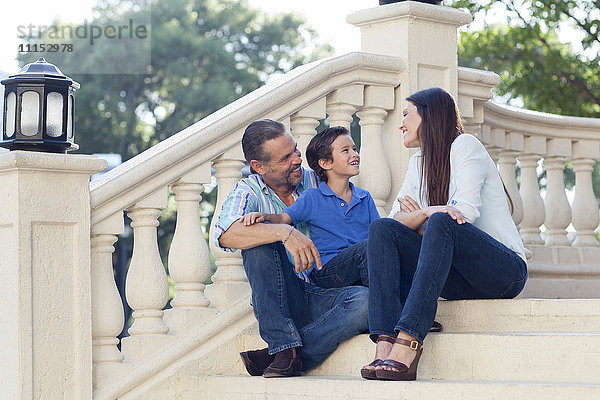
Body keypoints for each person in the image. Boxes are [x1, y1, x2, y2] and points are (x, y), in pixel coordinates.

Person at [361, 87, 528, 381]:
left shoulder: (465, 145)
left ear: (429, 115)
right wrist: (426, 214)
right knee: (382, 229)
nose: (400, 124)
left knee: (442, 222)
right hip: (457, 277)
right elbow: (395, 221)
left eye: (406, 115)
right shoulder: (418, 163)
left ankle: (409, 341)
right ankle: (385, 342)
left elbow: (462, 213)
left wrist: (425, 217)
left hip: (502, 273)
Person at [215, 120, 368, 378]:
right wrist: (284, 232)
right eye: (286, 158)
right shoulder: (248, 190)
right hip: (284, 299)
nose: (297, 160)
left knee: (366, 301)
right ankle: (283, 346)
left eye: (296, 150)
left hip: (325, 289)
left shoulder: (316, 181)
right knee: (257, 241)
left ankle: (281, 354)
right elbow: (226, 234)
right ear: (259, 167)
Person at [241, 126, 379, 287]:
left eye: (354, 149)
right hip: (327, 271)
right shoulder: (312, 197)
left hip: (359, 265)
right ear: (325, 163)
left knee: (380, 249)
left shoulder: (364, 197)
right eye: (346, 150)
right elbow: (283, 218)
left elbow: (378, 234)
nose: (355, 154)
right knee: (367, 250)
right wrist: (264, 216)